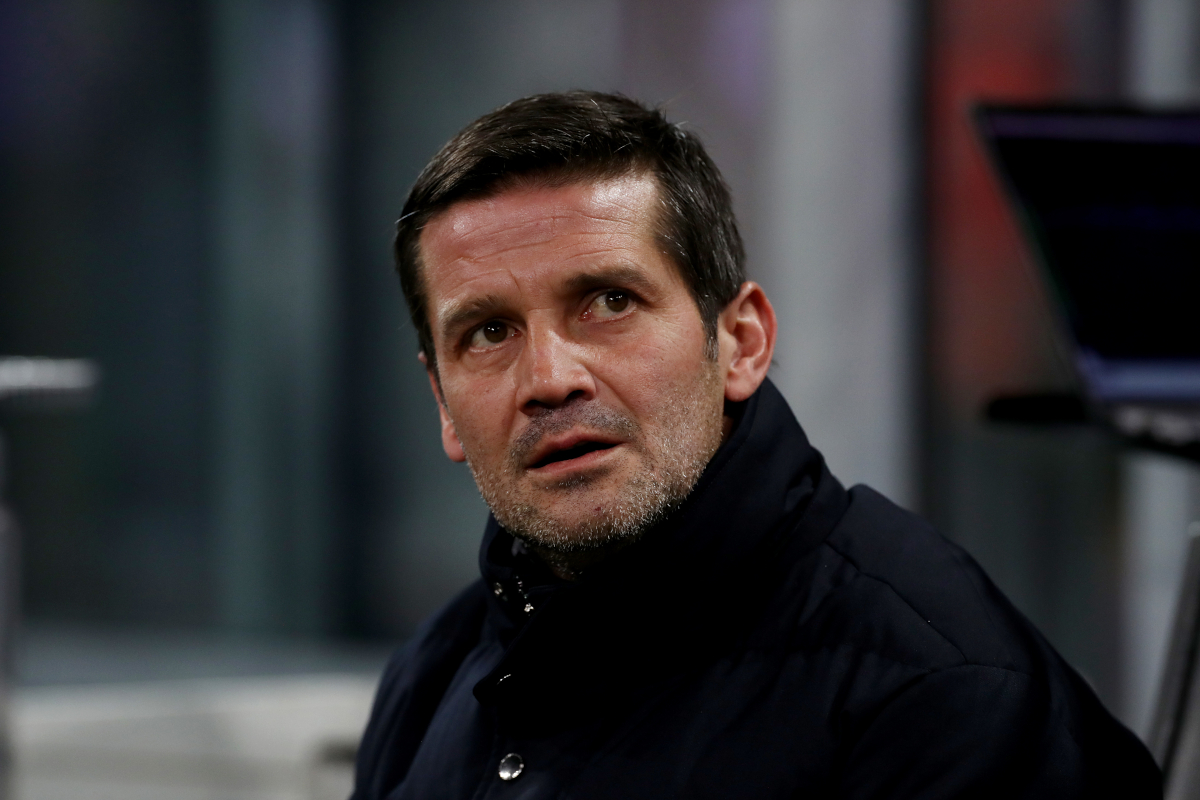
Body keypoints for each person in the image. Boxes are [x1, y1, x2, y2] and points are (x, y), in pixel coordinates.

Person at [351, 91, 1160, 799]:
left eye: (607, 301)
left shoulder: (938, 692)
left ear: (740, 342)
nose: (549, 379)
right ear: (445, 406)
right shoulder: (435, 669)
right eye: (488, 332)